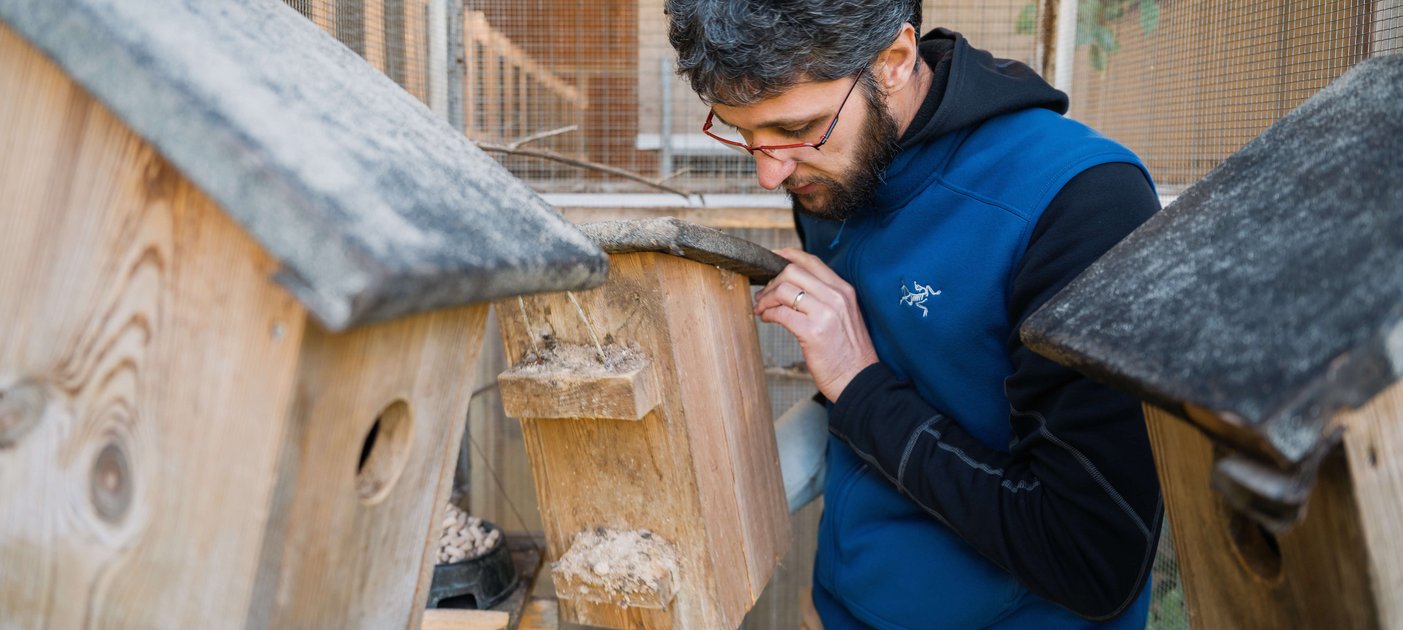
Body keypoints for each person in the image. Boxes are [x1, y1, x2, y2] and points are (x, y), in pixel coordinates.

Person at [665, 1, 1164, 628]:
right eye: (743, 133)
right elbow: (875, 397)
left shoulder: (1081, 202)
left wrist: (858, 383)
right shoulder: (829, 176)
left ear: (895, 61)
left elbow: (1094, 558)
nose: (770, 174)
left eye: (800, 127)